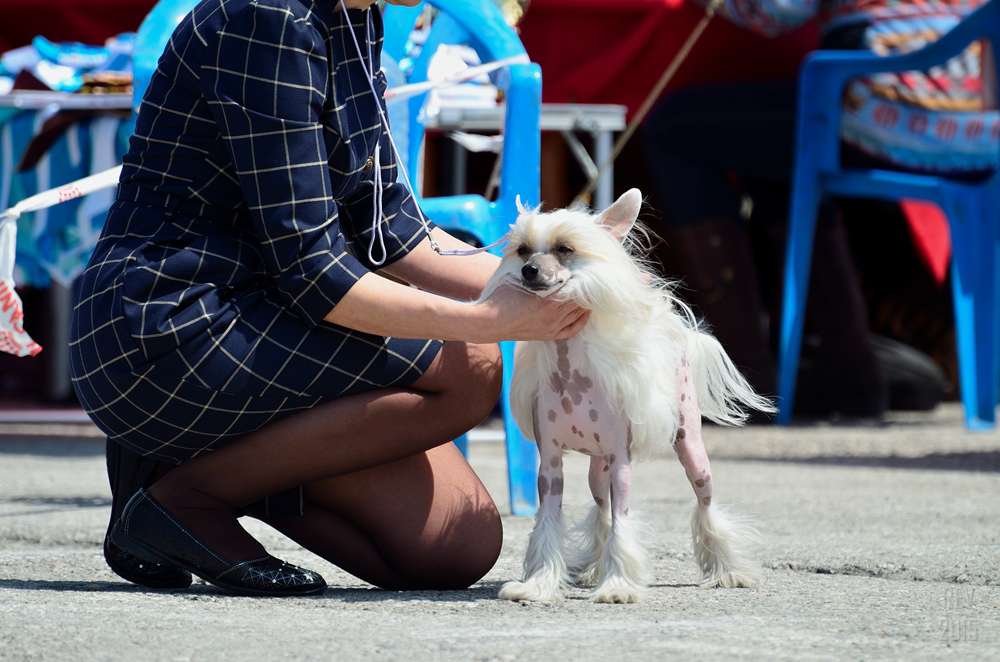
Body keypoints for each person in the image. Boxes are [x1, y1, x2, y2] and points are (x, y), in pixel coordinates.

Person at [70, 0, 589, 596]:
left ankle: (175, 467)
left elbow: (390, 228)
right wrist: (490, 318)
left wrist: (564, 288)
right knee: (471, 363)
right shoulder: (267, 17)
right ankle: (183, 501)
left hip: (260, 318)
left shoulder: (354, 13)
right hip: (167, 325)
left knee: (456, 548)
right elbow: (316, 273)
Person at [642, 0, 991, 417]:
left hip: (888, 111)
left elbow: (778, 13)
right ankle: (848, 375)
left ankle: (744, 382)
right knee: (774, 150)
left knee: (674, 129)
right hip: (980, 126)